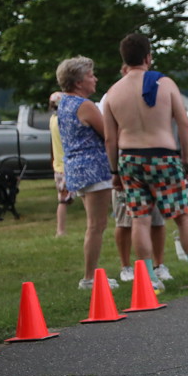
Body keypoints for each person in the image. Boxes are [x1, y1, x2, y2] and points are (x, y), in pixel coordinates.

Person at [102, 33, 188, 293]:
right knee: (183, 216)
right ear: (148, 57)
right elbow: (184, 124)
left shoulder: (113, 92)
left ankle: (150, 280)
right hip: (164, 155)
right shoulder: (165, 84)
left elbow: (110, 138)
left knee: (140, 219)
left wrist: (114, 170)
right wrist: (186, 158)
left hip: (130, 159)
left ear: (124, 59)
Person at [55, 57, 118, 291]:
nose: (95, 79)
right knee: (96, 225)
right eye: (91, 75)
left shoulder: (64, 103)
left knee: (94, 224)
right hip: (94, 169)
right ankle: (89, 278)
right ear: (79, 81)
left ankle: (91, 276)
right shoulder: (85, 105)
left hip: (76, 169)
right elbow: (108, 134)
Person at [48, 91, 74, 237]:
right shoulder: (64, 121)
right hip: (68, 165)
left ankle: (60, 230)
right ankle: (61, 230)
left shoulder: (52, 119)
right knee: (69, 199)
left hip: (58, 165)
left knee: (63, 200)